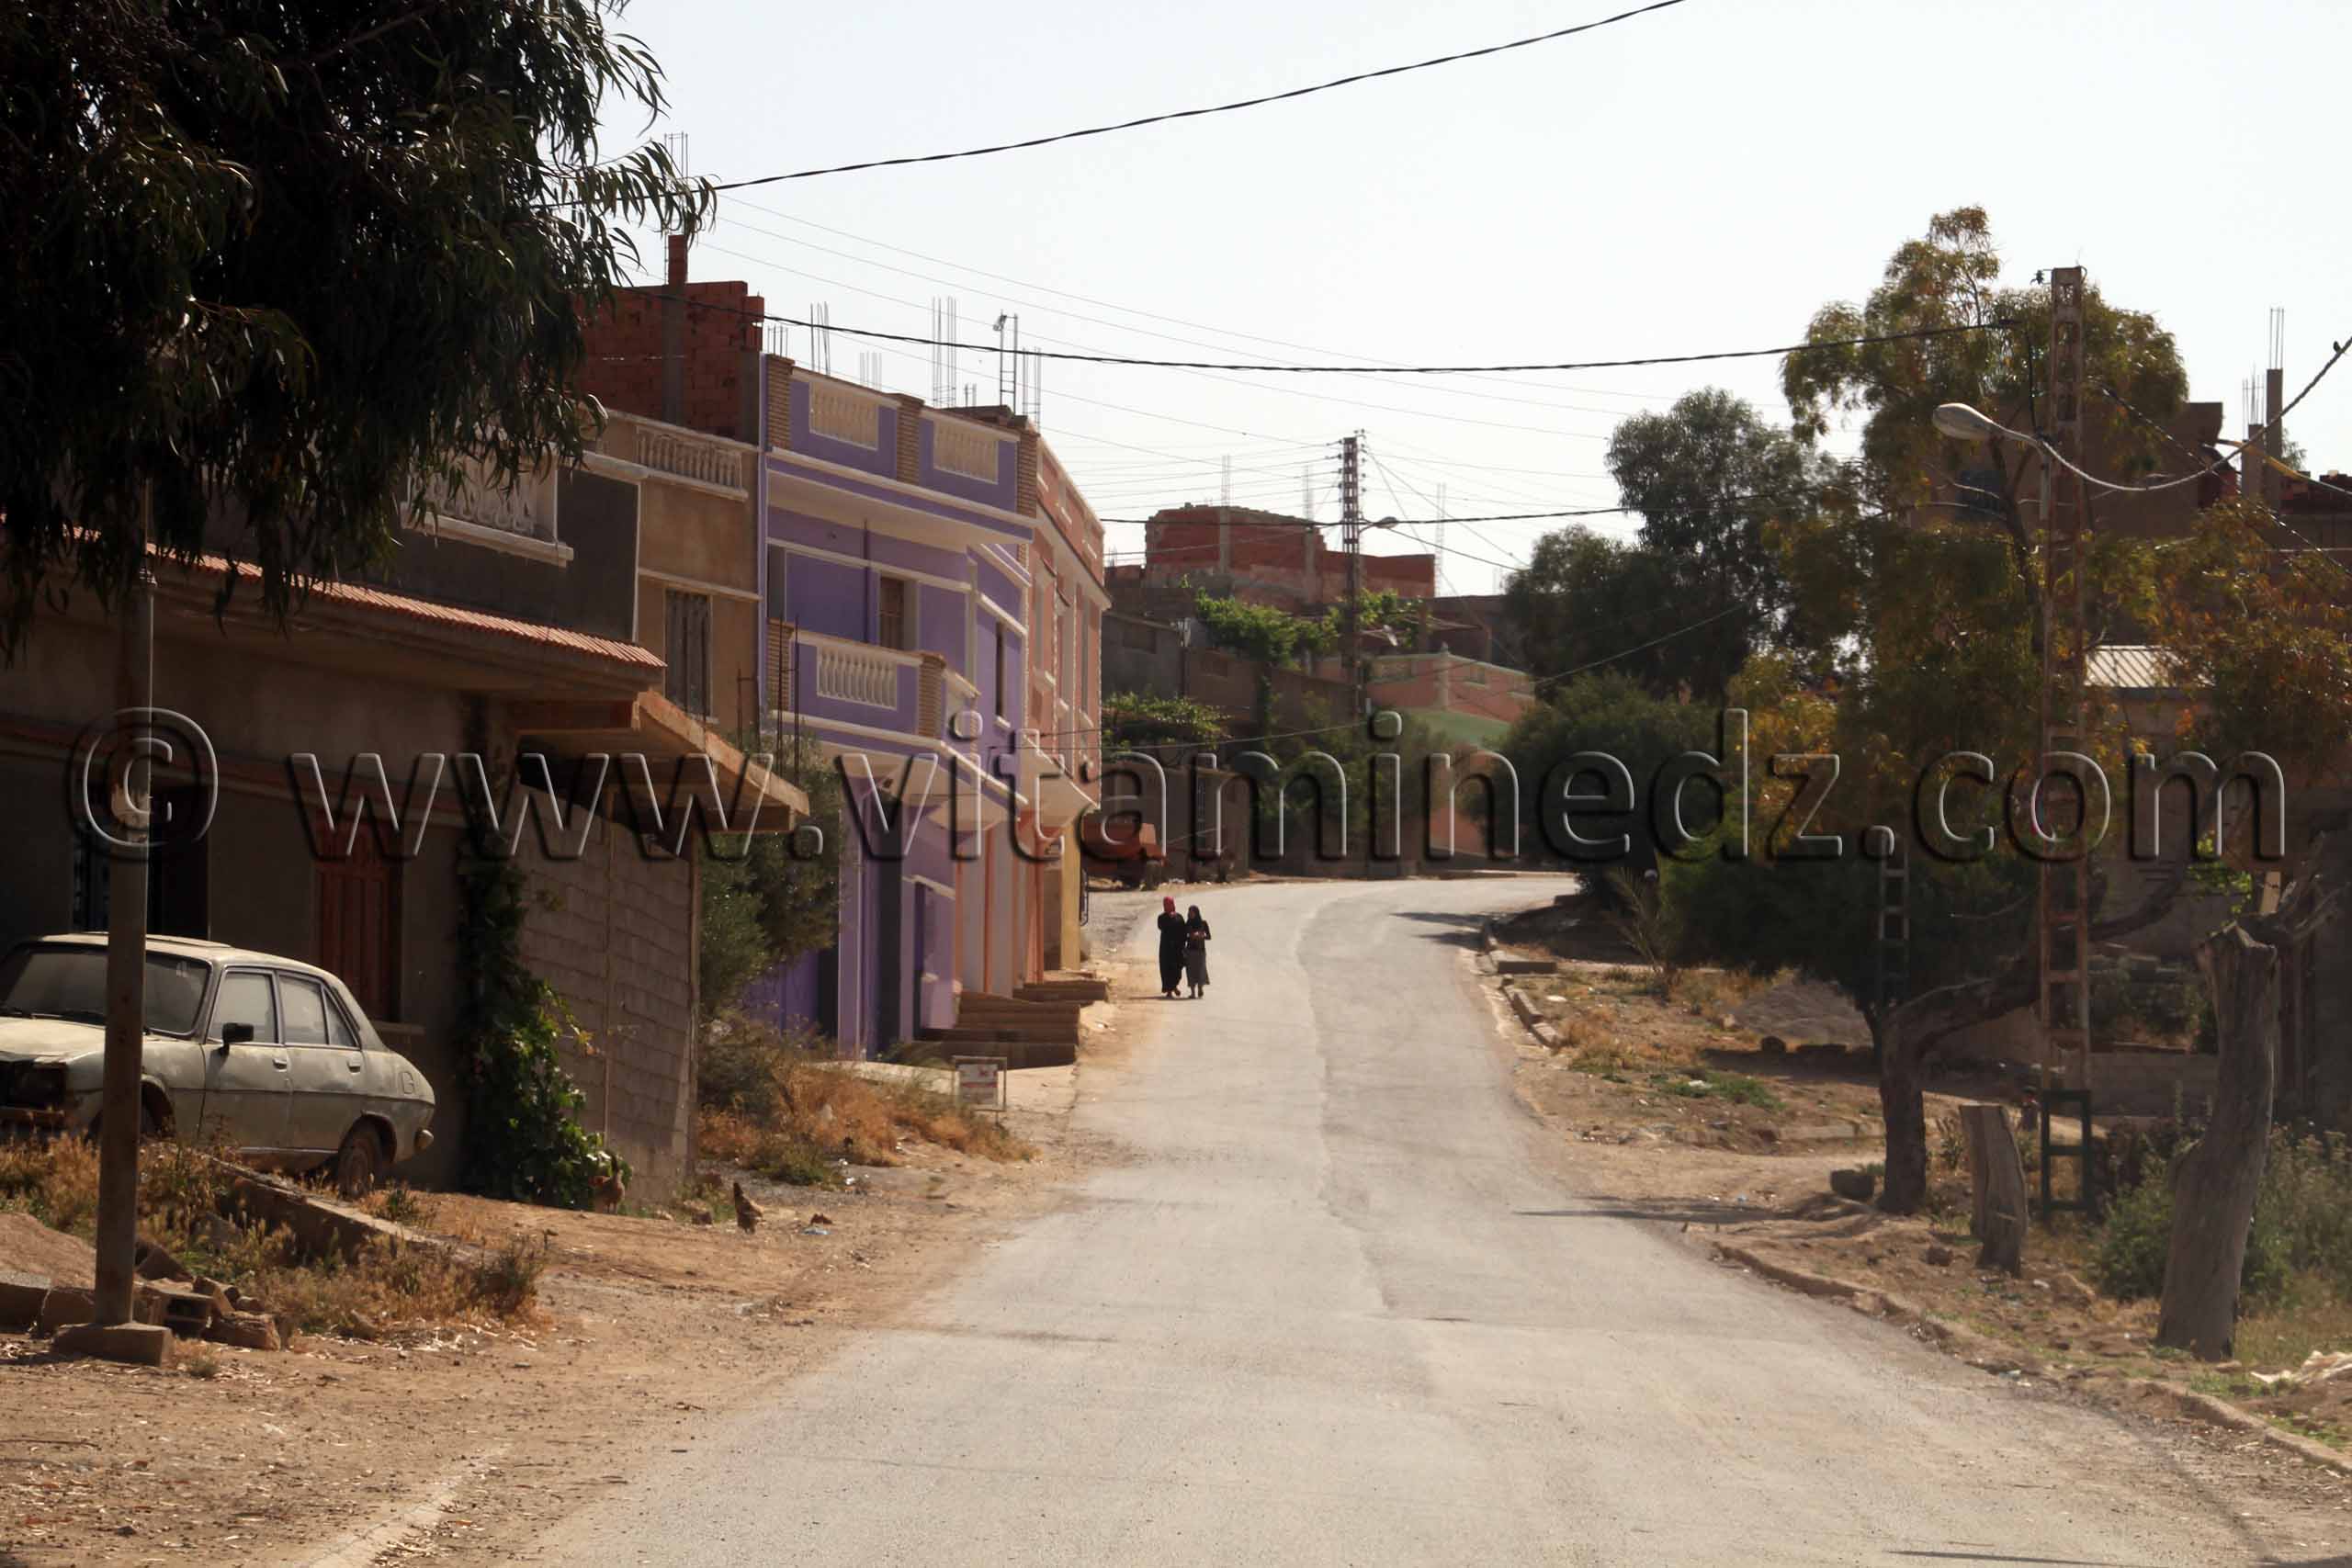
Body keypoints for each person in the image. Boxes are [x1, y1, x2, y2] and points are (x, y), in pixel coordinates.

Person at [1155, 895, 1187, 998]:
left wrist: (1184, 944)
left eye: (1169, 904)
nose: (1168, 906)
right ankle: (1169, 990)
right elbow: (1161, 926)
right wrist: (1169, 917)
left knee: (1178, 968)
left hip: (1178, 948)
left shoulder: (1179, 917)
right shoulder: (1161, 917)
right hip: (1166, 948)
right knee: (1166, 969)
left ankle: (1174, 986)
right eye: (1166, 904)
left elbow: (1184, 930)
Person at [1183, 905, 1212, 998]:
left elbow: (1209, 937)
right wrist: (1191, 937)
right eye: (1189, 912)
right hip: (1190, 951)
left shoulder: (1203, 923)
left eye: (1192, 912)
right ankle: (1192, 993)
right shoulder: (1188, 924)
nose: (1190, 914)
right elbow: (1183, 937)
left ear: (1196, 913)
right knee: (1190, 971)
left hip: (1200, 951)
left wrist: (1201, 936)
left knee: (1201, 970)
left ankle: (1200, 988)